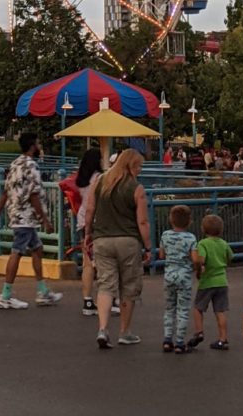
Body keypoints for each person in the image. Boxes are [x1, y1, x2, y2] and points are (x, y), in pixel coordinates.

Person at [84, 148, 152, 349]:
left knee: (106, 284)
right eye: (138, 166)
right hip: (128, 241)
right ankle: (125, 331)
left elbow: (90, 210)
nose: (139, 170)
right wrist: (148, 246)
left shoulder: (100, 182)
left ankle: (103, 329)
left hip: (102, 239)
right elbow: (142, 221)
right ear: (131, 165)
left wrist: (88, 233)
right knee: (128, 287)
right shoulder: (136, 188)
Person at [0, 132, 62, 310]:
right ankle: (5, 295)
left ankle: (42, 290)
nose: (39, 147)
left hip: (16, 213)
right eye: (38, 143)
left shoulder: (15, 164)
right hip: (26, 217)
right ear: (32, 146)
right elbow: (34, 194)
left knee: (37, 248)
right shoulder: (32, 166)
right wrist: (45, 219)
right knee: (17, 252)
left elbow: (6, 191)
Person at [189, 214, 234, 351]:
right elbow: (230, 257)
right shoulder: (224, 243)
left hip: (207, 281)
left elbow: (200, 260)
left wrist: (198, 268)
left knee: (198, 307)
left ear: (203, 229)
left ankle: (199, 332)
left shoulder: (203, 243)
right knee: (220, 311)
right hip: (222, 281)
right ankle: (223, 339)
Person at [159, 204, 200, 353]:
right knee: (183, 309)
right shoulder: (191, 238)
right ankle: (180, 342)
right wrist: (197, 266)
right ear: (189, 221)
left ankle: (167, 340)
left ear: (171, 219)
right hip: (184, 276)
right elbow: (195, 259)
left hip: (169, 275)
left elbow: (161, 255)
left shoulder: (165, 235)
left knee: (169, 308)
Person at [74, 147, 103, 316]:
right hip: (97, 221)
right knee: (102, 263)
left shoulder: (81, 180)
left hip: (82, 220)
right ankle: (107, 299)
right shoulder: (99, 179)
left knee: (87, 263)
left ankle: (87, 300)